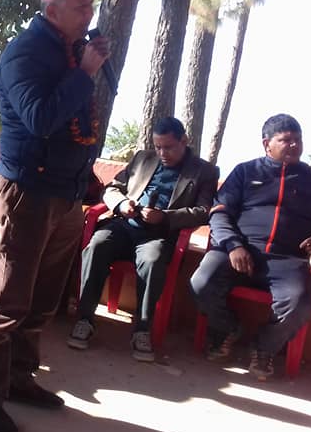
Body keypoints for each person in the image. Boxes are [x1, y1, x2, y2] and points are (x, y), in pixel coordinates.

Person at [0, 0, 111, 432]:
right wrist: (84, 73)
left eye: (90, 4)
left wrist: (85, 67)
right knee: (8, 300)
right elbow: (41, 118)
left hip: (66, 193)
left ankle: (19, 379)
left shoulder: (70, 50)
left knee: (42, 300)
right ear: (52, 9)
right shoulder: (25, 53)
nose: (89, 13)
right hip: (29, 192)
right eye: (81, 5)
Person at [189, 113, 311, 381]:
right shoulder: (245, 172)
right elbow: (219, 213)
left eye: (298, 139)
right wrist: (233, 246)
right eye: (286, 140)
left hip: (286, 260)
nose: (294, 145)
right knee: (201, 283)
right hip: (238, 252)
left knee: (299, 305)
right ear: (267, 144)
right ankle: (228, 329)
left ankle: (264, 348)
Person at [67, 117, 219, 360]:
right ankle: (84, 319)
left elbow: (202, 211)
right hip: (124, 226)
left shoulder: (204, 171)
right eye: (158, 147)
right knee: (96, 245)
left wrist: (165, 217)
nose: (162, 153)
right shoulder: (143, 158)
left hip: (157, 236)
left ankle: (142, 329)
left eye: (168, 147)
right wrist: (122, 204)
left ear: (184, 140)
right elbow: (112, 188)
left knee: (152, 260)